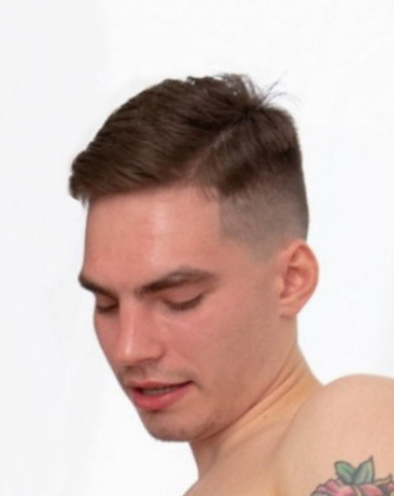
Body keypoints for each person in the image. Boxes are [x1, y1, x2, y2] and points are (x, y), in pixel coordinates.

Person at [69, 74, 394, 496]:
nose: (129, 348)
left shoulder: (351, 415)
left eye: (179, 300)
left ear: (291, 280)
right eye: (107, 304)